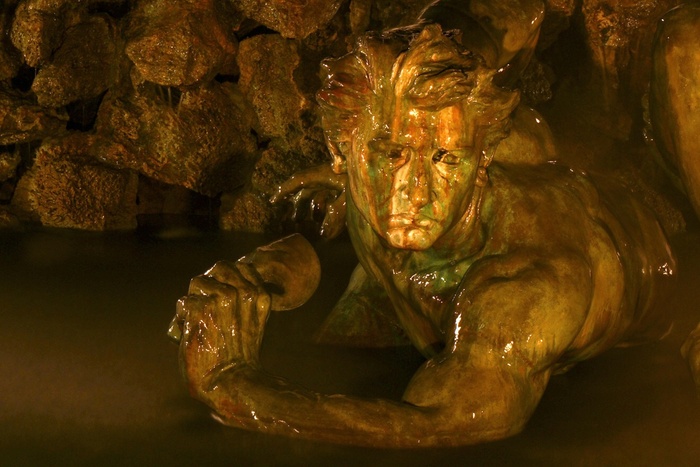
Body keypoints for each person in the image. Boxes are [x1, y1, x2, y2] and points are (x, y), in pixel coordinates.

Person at [170, 20, 678, 447]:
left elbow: (442, 421)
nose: (413, 192)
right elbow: (316, 245)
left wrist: (236, 387)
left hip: (650, 281)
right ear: (342, 150)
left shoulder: (528, 285)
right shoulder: (367, 184)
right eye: (390, 155)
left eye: (445, 161)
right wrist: (256, 281)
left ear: (482, 164)